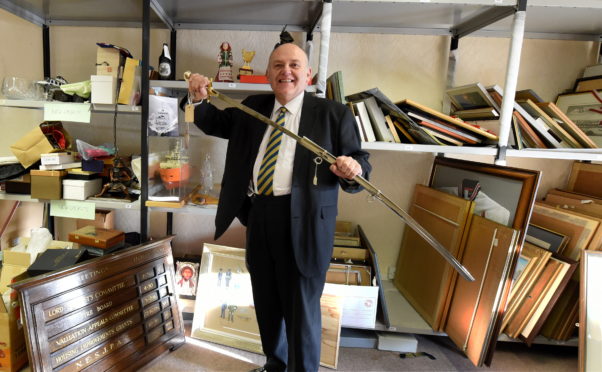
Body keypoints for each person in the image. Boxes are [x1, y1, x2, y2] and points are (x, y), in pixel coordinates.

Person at [186, 42, 371, 372]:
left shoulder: (333, 114)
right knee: (267, 301)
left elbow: (360, 165)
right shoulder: (253, 107)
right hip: (260, 215)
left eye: (295, 65)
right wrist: (198, 97)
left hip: (307, 222)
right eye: (278, 65)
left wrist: (353, 168)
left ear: (308, 74)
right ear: (269, 74)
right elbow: (214, 122)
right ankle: (276, 363)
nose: (287, 71)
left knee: (301, 308)